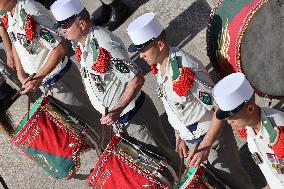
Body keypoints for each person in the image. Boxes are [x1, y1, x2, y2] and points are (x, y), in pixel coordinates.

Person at [50, 0, 181, 173]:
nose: (62, 30)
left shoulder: (104, 43)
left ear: (81, 23)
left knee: (168, 164)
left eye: (66, 25)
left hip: (135, 118)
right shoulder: (81, 43)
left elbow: (136, 79)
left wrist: (117, 109)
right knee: (152, 169)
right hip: (120, 120)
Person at [127, 12, 254, 188]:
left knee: (235, 182)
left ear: (160, 44)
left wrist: (206, 145)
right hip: (192, 140)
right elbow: (173, 105)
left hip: (210, 139)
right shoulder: (160, 66)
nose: (140, 55)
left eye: (143, 50)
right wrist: (179, 136)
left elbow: (220, 108)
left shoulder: (186, 70)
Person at [0, 0, 103, 147]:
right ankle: (104, 158)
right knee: (81, 129)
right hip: (44, 84)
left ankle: (114, 161)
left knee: (94, 122)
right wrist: (21, 75)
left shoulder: (28, 8)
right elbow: (16, 43)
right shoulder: (10, 15)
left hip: (60, 79)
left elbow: (60, 48)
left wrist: (39, 77)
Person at [213, 72, 284, 189]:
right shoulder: (249, 128)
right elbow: (269, 167)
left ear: (250, 108)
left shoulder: (278, 129)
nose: (229, 122)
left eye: (232, 117)